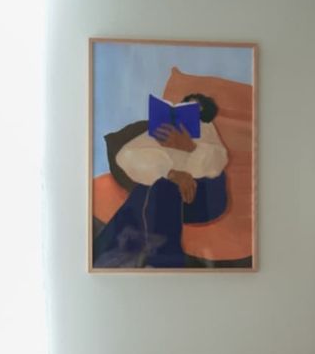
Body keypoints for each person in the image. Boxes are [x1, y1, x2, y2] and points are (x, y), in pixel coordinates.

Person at [93, 93, 228, 268]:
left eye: (198, 108)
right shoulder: (163, 131)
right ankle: (108, 257)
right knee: (153, 189)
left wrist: (190, 148)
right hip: (169, 192)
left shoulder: (207, 129)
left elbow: (216, 164)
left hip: (203, 195)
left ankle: (162, 260)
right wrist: (170, 172)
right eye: (187, 105)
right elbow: (126, 156)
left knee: (163, 188)